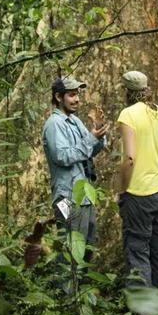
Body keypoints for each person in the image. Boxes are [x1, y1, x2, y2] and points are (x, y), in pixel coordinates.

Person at [42, 74, 107, 290]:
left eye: (77, 94)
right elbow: (62, 156)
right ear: (58, 97)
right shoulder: (54, 124)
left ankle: (80, 294)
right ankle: (66, 296)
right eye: (71, 95)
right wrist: (90, 138)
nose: (77, 99)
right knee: (71, 247)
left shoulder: (76, 121)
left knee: (86, 246)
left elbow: (89, 150)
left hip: (84, 195)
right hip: (66, 197)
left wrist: (98, 133)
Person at [117, 70, 158, 292]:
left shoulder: (128, 115)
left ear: (127, 92)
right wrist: (157, 175)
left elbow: (129, 158)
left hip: (139, 195)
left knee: (137, 250)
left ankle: (143, 308)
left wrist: (123, 190)